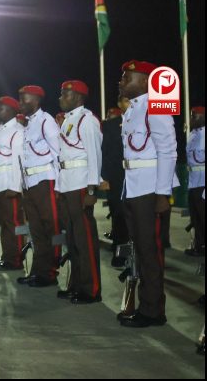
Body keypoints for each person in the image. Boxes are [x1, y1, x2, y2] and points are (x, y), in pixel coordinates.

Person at [117, 60, 176, 328]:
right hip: (134, 186)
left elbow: (168, 150)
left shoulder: (156, 106)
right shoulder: (132, 111)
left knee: (150, 252)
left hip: (150, 189)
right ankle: (147, 306)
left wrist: (163, 194)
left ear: (144, 81)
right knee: (140, 250)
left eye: (126, 77)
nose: (121, 81)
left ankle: (153, 311)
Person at [56, 80, 103, 304]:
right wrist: (58, 187)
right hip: (66, 184)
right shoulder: (67, 121)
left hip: (81, 184)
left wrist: (92, 188)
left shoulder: (87, 120)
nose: (61, 98)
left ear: (78, 97)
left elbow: (94, 155)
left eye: (65, 94)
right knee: (73, 240)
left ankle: (91, 289)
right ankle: (76, 284)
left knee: (85, 240)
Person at [17, 85, 61, 287]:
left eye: (23, 100)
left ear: (35, 101)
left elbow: (58, 153)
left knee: (50, 228)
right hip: (30, 183)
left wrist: (59, 185)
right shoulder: (28, 124)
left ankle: (50, 272)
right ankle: (38, 270)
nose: (20, 103)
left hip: (45, 180)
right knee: (36, 230)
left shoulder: (46, 121)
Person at [0, 97, 26, 270]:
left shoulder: (17, 131)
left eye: (0, 108)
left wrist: (15, 186)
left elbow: (18, 160)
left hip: (8, 183)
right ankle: (7, 256)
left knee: (12, 223)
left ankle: (14, 260)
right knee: (4, 223)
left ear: (10, 110)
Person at [101, 97, 129, 266]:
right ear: (119, 104)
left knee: (138, 218)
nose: (129, 104)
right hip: (117, 176)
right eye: (125, 101)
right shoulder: (111, 125)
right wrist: (105, 178)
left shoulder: (147, 120)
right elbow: (106, 153)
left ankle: (139, 255)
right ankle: (120, 253)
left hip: (139, 176)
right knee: (119, 216)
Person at [185, 106, 205, 256]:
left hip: (203, 183)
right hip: (193, 182)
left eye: (195, 117)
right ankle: (199, 246)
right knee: (196, 217)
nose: (191, 119)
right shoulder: (192, 135)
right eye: (192, 116)